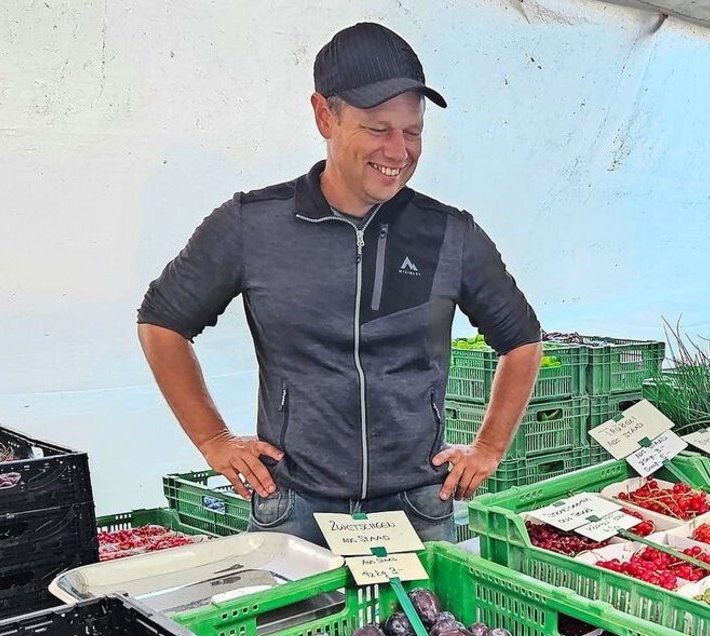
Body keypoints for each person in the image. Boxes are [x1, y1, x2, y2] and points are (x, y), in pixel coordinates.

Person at [136, 22, 543, 546]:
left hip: (418, 504)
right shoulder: (252, 224)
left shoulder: (449, 233)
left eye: (413, 131)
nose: (399, 151)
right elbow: (162, 322)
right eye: (378, 129)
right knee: (303, 630)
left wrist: (489, 446)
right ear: (325, 115)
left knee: (426, 630)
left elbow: (522, 338)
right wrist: (214, 439)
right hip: (294, 506)